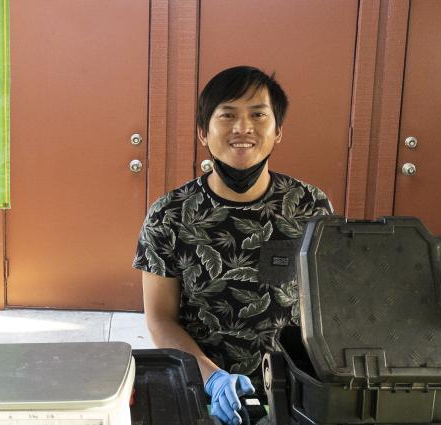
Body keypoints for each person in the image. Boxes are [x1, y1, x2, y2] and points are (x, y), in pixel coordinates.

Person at [133, 66, 333, 425]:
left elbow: (325, 307)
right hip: (199, 386)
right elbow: (160, 319)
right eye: (227, 115)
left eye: (258, 114)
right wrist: (212, 378)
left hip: (292, 390)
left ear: (278, 131)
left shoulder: (309, 206)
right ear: (203, 132)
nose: (243, 128)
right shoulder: (170, 214)